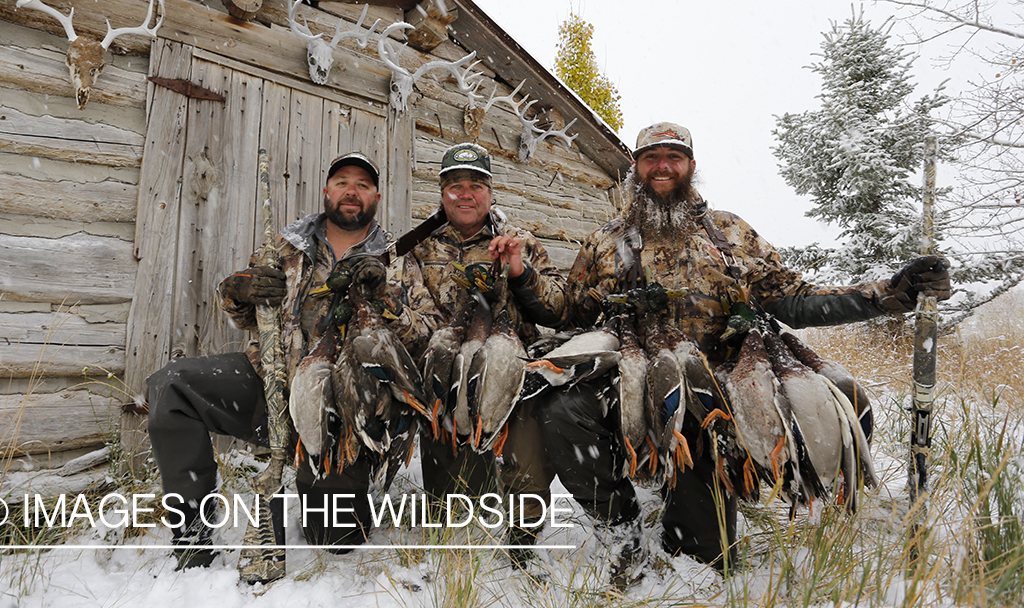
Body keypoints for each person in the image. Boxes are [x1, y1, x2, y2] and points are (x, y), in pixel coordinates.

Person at [539, 122, 952, 586]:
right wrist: (520, 276)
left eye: (673, 157)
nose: (662, 166)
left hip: (726, 377)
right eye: (651, 157)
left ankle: (789, 494)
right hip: (637, 372)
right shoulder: (607, 240)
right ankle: (622, 528)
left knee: (843, 403)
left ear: (691, 167)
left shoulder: (731, 232)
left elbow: (793, 297)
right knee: (562, 411)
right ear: (636, 167)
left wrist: (887, 295)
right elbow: (570, 309)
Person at [146, 151, 439, 572]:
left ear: (376, 196)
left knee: (334, 539)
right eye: (341, 182)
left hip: (343, 409)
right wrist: (238, 289)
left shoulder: (399, 259)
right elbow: (245, 313)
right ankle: (193, 530)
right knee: (171, 385)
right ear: (326, 191)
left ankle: (335, 479)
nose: (351, 192)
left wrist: (387, 302)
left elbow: (424, 334)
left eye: (362, 185)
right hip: (270, 382)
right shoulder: (288, 245)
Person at [406, 142, 567, 569]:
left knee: (524, 452)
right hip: (447, 372)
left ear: (490, 192)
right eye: (455, 185)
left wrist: (518, 271)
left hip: (511, 366)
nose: (465, 194)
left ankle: (522, 533)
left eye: (475, 184)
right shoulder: (419, 250)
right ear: (442, 194)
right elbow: (413, 322)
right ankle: (450, 509)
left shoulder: (520, 242)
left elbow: (556, 309)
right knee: (453, 503)